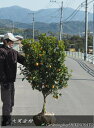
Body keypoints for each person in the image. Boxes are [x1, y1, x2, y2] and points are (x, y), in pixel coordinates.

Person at [0, 33, 25, 126]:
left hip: (11, 82)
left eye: (13, 42)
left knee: (11, 103)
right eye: (11, 41)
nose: (12, 43)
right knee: (7, 103)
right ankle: (5, 122)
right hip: (5, 82)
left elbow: (23, 60)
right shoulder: (1, 51)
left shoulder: (14, 52)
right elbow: (1, 69)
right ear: (5, 41)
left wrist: (36, 63)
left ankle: (8, 119)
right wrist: (3, 81)